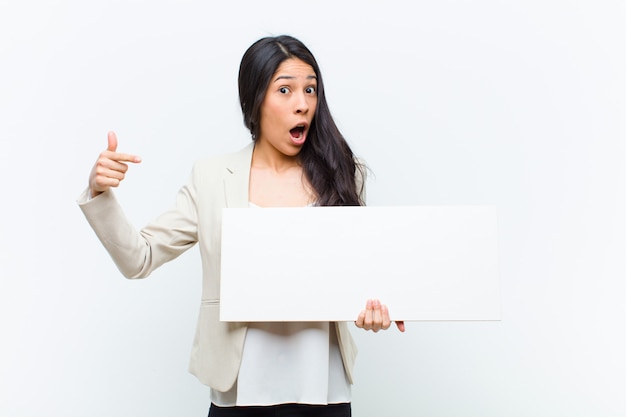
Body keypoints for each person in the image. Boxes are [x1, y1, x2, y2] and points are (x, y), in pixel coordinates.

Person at [78, 34, 404, 417]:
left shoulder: (341, 175)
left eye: (310, 90)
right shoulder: (212, 176)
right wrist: (99, 192)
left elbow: (360, 277)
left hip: (324, 390)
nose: (302, 104)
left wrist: (376, 306)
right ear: (254, 101)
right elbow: (140, 258)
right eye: (285, 90)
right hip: (240, 392)